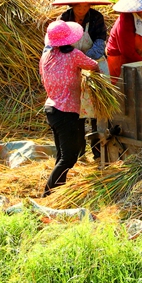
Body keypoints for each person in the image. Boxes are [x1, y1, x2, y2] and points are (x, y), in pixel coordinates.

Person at [52, 0, 111, 160]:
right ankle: (78, 153)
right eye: (79, 6)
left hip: (94, 67)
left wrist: (87, 61)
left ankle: (99, 153)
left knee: (97, 112)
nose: (82, 9)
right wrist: (76, 61)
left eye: (86, 5)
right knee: (76, 112)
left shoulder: (96, 18)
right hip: (71, 67)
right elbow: (60, 46)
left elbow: (101, 42)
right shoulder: (63, 19)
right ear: (72, 5)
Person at [40, 20, 99, 195]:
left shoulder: (46, 57)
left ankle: (58, 191)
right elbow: (94, 66)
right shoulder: (73, 54)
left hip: (51, 109)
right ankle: (47, 194)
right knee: (69, 157)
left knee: (61, 155)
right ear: (69, 39)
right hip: (66, 111)